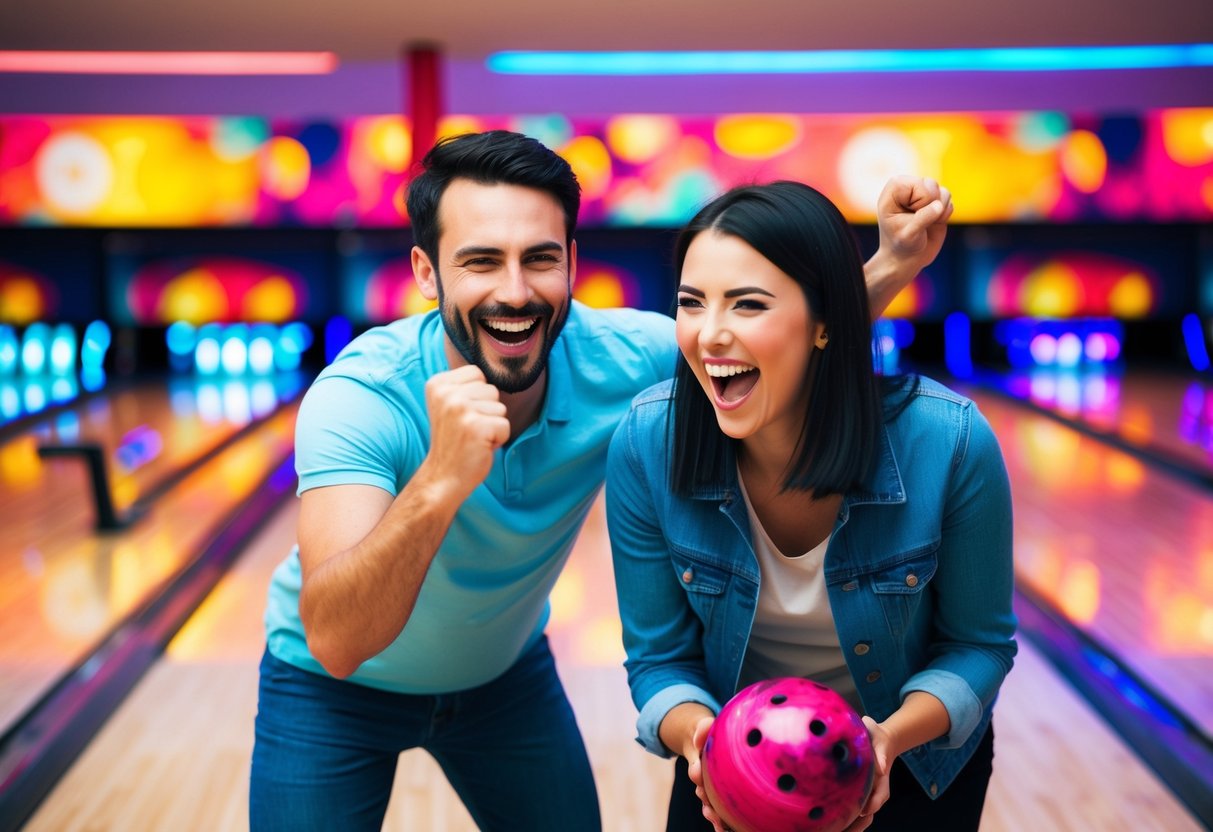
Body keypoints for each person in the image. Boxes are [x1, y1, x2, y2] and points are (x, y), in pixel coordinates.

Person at [249, 130, 954, 831]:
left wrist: (891, 264)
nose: (515, 292)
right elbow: (336, 643)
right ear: (426, 273)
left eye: (540, 259)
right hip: (328, 696)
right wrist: (438, 481)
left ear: (573, 264)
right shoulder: (361, 397)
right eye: (481, 262)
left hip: (503, 680)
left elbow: (777, 349)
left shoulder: (623, 357)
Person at [605, 180, 1015, 831]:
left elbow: (977, 646)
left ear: (824, 323)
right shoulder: (649, 443)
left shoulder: (948, 441)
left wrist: (883, 745)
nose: (709, 334)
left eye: (746, 305)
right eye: (691, 303)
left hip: (913, 764)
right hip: (730, 760)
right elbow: (659, 660)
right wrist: (705, 744)